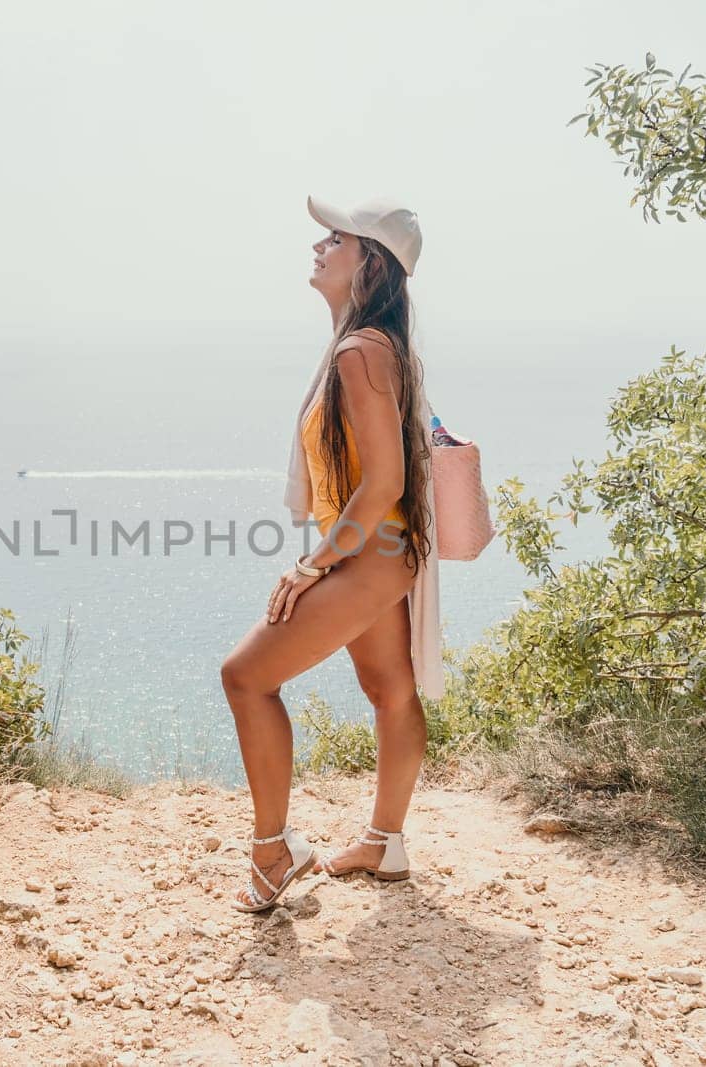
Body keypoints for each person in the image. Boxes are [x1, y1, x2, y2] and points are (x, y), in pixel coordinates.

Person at [220, 195, 437, 912]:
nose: (319, 246)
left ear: (369, 263)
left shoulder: (358, 352)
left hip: (368, 553)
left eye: (335, 237)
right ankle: (385, 841)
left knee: (246, 677)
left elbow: (384, 483)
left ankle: (275, 849)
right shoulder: (374, 344)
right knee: (390, 690)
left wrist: (311, 563)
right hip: (384, 551)